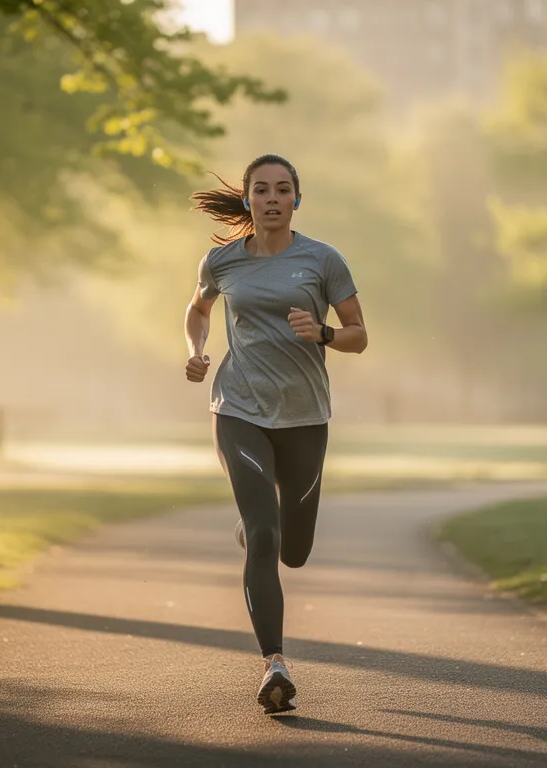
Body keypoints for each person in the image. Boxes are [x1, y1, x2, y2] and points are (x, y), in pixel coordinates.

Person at [183, 154, 368, 714]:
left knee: (296, 549)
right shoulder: (222, 261)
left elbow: (359, 335)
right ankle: (275, 665)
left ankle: (256, 521)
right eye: (260, 190)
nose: (270, 198)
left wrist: (324, 333)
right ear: (247, 200)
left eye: (281, 190)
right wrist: (195, 352)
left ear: (295, 200)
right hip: (238, 407)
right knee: (265, 535)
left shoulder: (322, 260)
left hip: (305, 416)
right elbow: (197, 311)